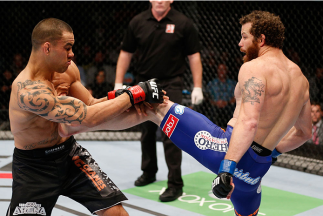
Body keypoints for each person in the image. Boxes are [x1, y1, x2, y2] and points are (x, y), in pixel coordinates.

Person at [60, 11, 312, 215]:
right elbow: (304, 133)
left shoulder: (255, 68)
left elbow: (248, 122)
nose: (240, 44)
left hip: (228, 152)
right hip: (257, 170)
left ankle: (76, 126)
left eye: (244, 37)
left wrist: (227, 169)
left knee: (151, 106)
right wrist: (271, 152)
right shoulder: (300, 79)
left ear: (262, 39)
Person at [7, 18, 165, 216]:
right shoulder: (28, 91)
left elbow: (90, 105)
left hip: (69, 154)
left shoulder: (68, 70)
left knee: (117, 214)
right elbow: (87, 117)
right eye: (67, 47)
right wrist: (134, 94)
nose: (72, 53)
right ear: (47, 48)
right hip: (34, 169)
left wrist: (144, 110)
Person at [114, 0, 203, 202]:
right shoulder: (137, 22)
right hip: (143, 83)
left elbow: (194, 56)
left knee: (171, 133)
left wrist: (198, 85)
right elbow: (126, 53)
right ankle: (149, 171)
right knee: (145, 130)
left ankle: (175, 183)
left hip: (171, 83)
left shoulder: (183, 22)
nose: (160, 0)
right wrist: (118, 82)